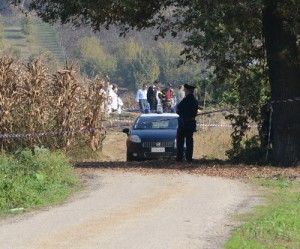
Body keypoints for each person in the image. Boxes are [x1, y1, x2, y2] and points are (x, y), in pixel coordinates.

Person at [176, 83, 199, 162]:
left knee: (180, 141)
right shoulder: (195, 101)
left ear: (188, 91)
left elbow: (178, 109)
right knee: (189, 141)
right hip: (191, 123)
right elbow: (195, 112)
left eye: (185, 90)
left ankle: (179, 158)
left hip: (183, 123)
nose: (184, 92)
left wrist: (182, 115)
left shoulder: (185, 100)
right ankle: (189, 158)